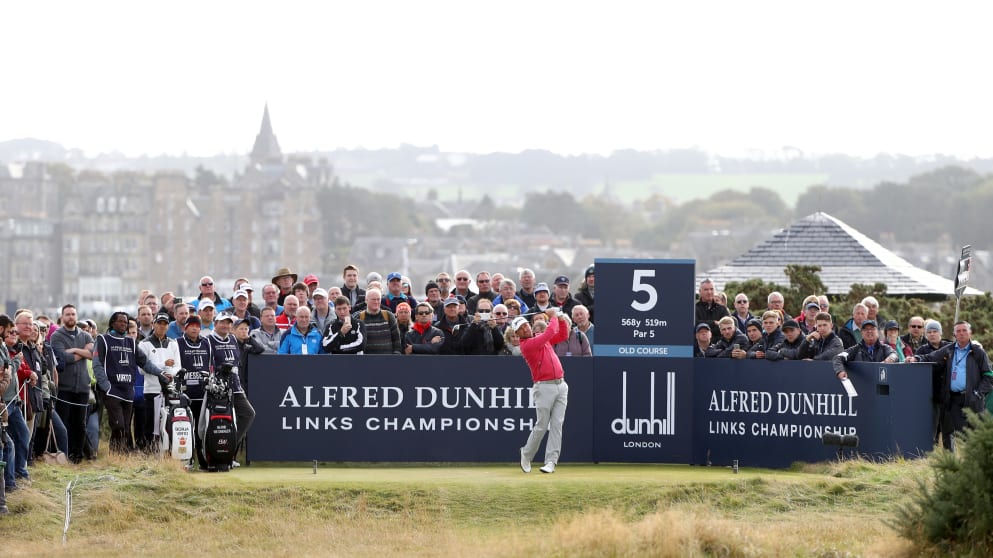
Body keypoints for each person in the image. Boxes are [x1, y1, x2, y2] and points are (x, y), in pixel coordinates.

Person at [910, 321, 993, 451]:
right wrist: (916, 358)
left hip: (972, 400)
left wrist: (978, 393)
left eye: (964, 330)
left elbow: (989, 376)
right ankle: (951, 464)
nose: (961, 333)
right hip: (952, 399)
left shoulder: (978, 352)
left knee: (974, 437)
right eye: (958, 331)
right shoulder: (949, 349)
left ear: (970, 332)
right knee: (950, 433)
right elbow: (931, 357)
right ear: (954, 334)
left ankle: (976, 465)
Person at [92, 311, 165, 454]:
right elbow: (97, 364)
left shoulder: (131, 342)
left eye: (125, 322)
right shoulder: (103, 339)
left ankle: (118, 456)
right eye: (120, 321)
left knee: (125, 427)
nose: (123, 324)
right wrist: (105, 385)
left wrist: (160, 373)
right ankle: (118, 453)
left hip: (127, 390)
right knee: (118, 425)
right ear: (113, 323)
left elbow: (144, 363)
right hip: (111, 391)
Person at [515, 309, 569, 474]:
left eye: (525, 325)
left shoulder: (540, 340)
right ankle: (526, 453)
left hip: (561, 385)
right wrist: (552, 315)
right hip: (544, 386)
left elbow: (563, 334)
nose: (525, 329)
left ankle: (551, 462)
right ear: (517, 334)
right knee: (542, 425)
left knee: (557, 425)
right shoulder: (527, 345)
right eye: (521, 329)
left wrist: (559, 318)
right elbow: (550, 331)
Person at [50, 304, 95, 464]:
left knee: (80, 424)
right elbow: (63, 358)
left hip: (83, 387)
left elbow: (92, 354)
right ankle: (65, 454)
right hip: (64, 388)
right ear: (62, 317)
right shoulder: (57, 336)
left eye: (73, 314)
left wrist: (75, 350)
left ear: (77, 316)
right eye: (67, 314)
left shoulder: (85, 335)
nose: (70, 317)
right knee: (65, 422)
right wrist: (83, 353)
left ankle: (77, 455)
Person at [137, 312, 180, 453]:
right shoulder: (144, 344)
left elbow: (177, 366)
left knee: (168, 424)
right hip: (151, 390)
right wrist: (163, 366)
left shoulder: (173, 344)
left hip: (169, 390)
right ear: (154, 324)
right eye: (159, 323)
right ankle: (150, 453)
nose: (162, 326)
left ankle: (167, 453)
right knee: (151, 425)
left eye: (165, 324)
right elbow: (142, 370)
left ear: (168, 326)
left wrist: (169, 375)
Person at [915, 319, 952, 447]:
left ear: (940, 333)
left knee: (948, 426)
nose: (932, 334)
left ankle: (949, 450)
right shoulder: (921, 350)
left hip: (948, 392)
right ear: (925, 335)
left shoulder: (950, 346)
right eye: (929, 332)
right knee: (931, 425)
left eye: (935, 331)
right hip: (930, 392)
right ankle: (928, 449)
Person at [833, 320, 898, 380]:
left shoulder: (884, 348)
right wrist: (840, 371)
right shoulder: (855, 349)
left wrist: (890, 359)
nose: (869, 331)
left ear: (877, 332)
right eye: (866, 329)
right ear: (862, 333)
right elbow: (838, 357)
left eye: (872, 329)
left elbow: (894, 354)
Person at [353, 289, 401, 354]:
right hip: (365, 360)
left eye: (378, 299)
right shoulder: (359, 317)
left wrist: (396, 355)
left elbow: (396, 340)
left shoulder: (389, 316)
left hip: (387, 359)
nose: (376, 302)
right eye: (373, 299)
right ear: (366, 300)